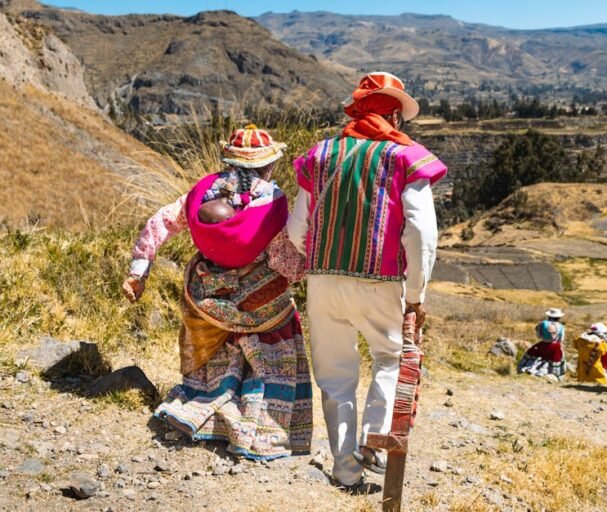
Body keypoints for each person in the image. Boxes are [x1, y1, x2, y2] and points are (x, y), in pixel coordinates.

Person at [287, 71, 447, 491]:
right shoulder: (404, 157)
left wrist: (321, 261)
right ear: (394, 115)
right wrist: (416, 295)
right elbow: (421, 233)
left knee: (335, 377)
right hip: (381, 281)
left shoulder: (320, 154)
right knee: (391, 358)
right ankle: (375, 440)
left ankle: (345, 468)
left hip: (322, 282)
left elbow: (295, 229)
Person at [122, 125, 312, 460]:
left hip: (207, 293)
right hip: (260, 302)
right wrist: (306, 271)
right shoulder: (272, 204)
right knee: (267, 356)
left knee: (221, 353)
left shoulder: (202, 195)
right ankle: (259, 428)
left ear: (228, 160)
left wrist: (140, 269)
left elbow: (161, 222)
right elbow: (284, 260)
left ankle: (201, 410)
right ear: (268, 165)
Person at [518, 308, 566, 378]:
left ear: (549, 316)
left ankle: (532, 368)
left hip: (543, 344)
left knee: (537, 355)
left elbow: (538, 336)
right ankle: (552, 373)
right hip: (555, 346)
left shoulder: (542, 323)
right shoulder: (561, 326)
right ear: (558, 317)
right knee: (555, 358)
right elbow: (561, 339)